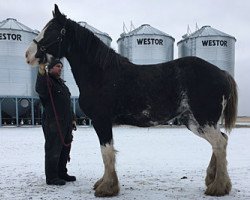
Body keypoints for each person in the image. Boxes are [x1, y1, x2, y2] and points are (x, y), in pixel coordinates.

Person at [36, 59, 77, 185]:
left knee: (65, 148)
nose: (60, 68)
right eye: (58, 66)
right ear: (50, 68)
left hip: (66, 121)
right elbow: (40, 89)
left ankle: (62, 173)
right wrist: (41, 72)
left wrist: (73, 118)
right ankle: (52, 177)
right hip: (53, 121)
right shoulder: (48, 82)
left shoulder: (61, 84)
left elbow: (67, 104)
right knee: (53, 148)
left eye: (61, 66)